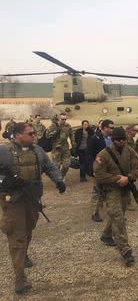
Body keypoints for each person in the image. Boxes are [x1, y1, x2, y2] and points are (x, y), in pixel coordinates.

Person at [0, 123, 65, 294]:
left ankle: (24, 255)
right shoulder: (4, 151)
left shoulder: (37, 150)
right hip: (13, 201)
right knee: (17, 235)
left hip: (32, 199)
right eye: (30, 133)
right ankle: (20, 280)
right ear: (18, 135)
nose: (34, 136)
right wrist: (5, 181)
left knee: (28, 230)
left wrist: (59, 180)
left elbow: (49, 167)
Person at [93, 127, 138, 266]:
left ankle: (107, 236)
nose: (121, 141)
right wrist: (116, 179)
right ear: (113, 140)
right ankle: (126, 251)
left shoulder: (129, 151)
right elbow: (98, 174)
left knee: (117, 214)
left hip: (126, 187)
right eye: (118, 139)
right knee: (118, 217)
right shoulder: (104, 154)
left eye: (123, 139)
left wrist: (129, 177)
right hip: (111, 190)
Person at [86, 119, 114, 222]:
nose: (113, 129)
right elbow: (89, 155)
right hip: (99, 170)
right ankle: (95, 213)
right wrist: (92, 170)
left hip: (111, 170)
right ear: (105, 128)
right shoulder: (94, 139)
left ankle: (114, 213)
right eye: (111, 127)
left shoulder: (113, 138)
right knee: (97, 192)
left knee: (112, 191)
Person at [45, 113, 74, 178]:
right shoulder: (53, 126)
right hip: (56, 148)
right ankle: (59, 179)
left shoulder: (68, 126)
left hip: (65, 148)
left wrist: (74, 146)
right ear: (59, 118)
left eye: (65, 119)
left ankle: (61, 176)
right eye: (62, 119)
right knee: (56, 166)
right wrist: (55, 131)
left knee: (66, 165)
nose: (64, 120)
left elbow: (72, 136)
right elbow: (47, 135)